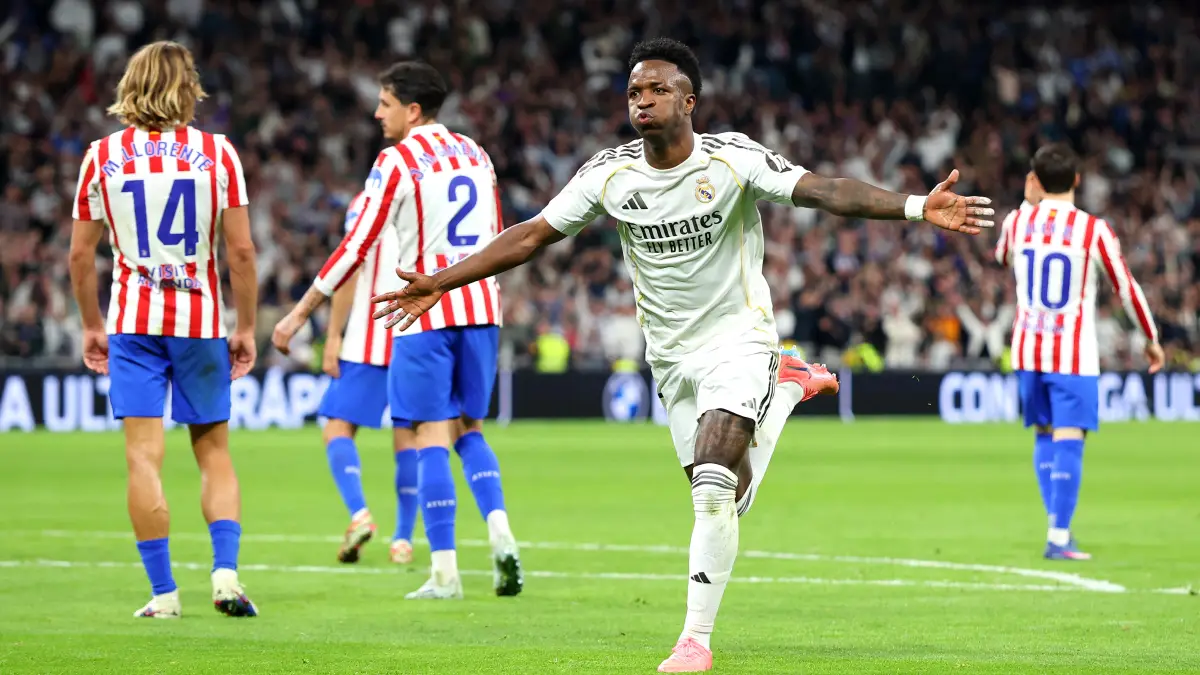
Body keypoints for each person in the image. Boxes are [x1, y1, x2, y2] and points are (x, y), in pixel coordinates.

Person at [370, 38, 993, 672]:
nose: (643, 101)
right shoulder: (609, 174)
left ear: (689, 101)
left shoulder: (732, 159)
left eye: (658, 89)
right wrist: (440, 281)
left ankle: (694, 639)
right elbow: (531, 235)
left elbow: (825, 190)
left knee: (712, 488)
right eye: (635, 92)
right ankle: (782, 394)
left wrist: (916, 206)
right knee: (728, 496)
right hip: (670, 358)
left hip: (739, 338)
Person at [272, 61, 522, 600]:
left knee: (430, 434)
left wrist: (301, 311)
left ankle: (446, 573)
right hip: (481, 308)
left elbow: (357, 246)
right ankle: (499, 528)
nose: (376, 112)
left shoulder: (398, 160)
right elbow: (500, 239)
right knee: (470, 429)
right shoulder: (478, 155)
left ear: (412, 110)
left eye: (384, 103)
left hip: (423, 311)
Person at [67, 41, 259, 619]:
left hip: (132, 323)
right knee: (215, 453)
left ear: (131, 85)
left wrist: (91, 325)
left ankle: (163, 594)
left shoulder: (101, 156)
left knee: (143, 460)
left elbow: (80, 257)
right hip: (199, 322)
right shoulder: (217, 154)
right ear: (187, 87)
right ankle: (225, 576)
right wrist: (245, 325)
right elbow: (242, 252)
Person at [994, 143, 1164, 561]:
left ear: (1035, 180)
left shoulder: (1017, 222)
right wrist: (1150, 337)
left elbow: (1001, 256)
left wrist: (1026, 203)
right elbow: (1127, 288)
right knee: (1070, 437)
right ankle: (1058, 535)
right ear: (1076, 180)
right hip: (1072, 353)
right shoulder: (1093, 230)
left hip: (1027, 349)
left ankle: (1056, 529)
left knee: (1044, 434)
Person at [315, 191, 420, 566]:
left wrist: (333, 336)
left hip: (369, 336)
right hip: (419, 335)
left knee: (337, 428)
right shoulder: (429, 193)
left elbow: (348, 269)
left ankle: (359, 514)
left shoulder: (367, 202)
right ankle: (403, 541)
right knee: (408, 437)